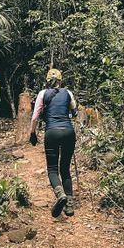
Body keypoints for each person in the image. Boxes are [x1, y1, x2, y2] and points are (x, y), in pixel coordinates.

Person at [29, 68, 77, 217]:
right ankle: (69, 206)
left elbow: (35, 116)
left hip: (52, 133)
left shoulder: (43, 94)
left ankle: (60, 194)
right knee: (65, 169)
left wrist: (32, 133)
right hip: (69, 132)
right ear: (61, 80)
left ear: (47, 81)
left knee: (52, 169)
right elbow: (74, 112)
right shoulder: (68, 93)